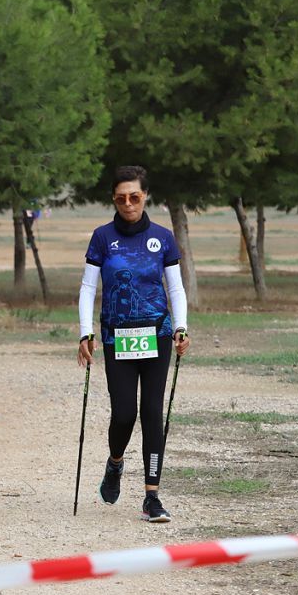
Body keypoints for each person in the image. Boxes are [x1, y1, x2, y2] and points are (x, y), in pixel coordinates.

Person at [77, 165, 190, 523]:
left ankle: (152, 497)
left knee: (152, 413)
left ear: (145, 197)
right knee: (124, 413)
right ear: (114, 199)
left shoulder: (162, 237)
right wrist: (85, 332)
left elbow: (174, 287)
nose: (128, 203)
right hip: (117, 338)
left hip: (157, 335)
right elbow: (88, 288)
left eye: (135, 197)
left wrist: (182, 327)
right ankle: (115, 463)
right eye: (121, 197)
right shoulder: (101, 237)